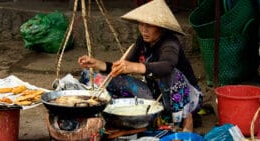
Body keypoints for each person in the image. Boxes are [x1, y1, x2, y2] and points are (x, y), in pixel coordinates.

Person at [77, 0, 201, 132]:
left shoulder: (170, 42)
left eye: (149, 25)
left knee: (171, 74)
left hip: (185, 98)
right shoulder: (142, 40)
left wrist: (135, 67)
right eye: (141, 24)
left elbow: (167, 66)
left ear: (161, 27)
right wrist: (97, 64)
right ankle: (154, 115)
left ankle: (185, 118)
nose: (144, 30)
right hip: (156, 96)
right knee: (103, 78)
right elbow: (123, 67)